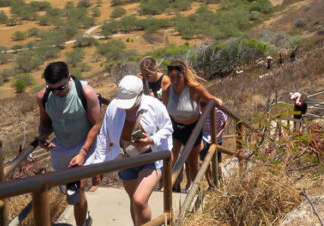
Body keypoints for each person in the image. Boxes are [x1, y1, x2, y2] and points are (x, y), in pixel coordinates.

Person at [87, 75, 172, 226]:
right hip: (126, 158)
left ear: (140, 94)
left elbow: (167, 128)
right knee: (134, 200)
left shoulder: (154, 105)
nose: (127, 107)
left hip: (150, 157)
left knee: (139, 200)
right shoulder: (114, 107)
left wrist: (152, 140)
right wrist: (98, 165)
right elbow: (104, 135)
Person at [36, 62, 102, 226]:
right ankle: (85, 217)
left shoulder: (86, 92)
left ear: (69, 76)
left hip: (84, 145)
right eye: (52, 89)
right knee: (68, 190)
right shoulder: (43, 96)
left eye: (61, 88)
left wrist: (83, 152)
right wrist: (42, 137)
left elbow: (96, 124)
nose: (56, 92)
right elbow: (45, 122)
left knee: (76, 189)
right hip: (61, 148)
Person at [163, 59, 222, 191]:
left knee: (192, 162)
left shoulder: (194, 88)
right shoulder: (167, 90)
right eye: (172, 77)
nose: (175, 80)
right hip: (175, 127)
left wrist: (217, 101)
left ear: (184, 75)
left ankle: (196, 191)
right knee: (170, 158)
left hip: (192, 129)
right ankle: (169, 189)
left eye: (178, 76)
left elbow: (210, 99)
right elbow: (163, 108)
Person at [199, 103, 228, 187]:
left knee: (217, 162)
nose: (201, 110)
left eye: (202, 108)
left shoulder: (218, 112)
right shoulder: (199, 113)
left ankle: (221, 182)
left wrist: (218, 134)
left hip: (216, 138)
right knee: (204, 162)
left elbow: (225, 122)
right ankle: (211, 185)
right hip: (204, 138)